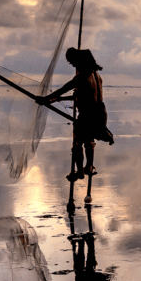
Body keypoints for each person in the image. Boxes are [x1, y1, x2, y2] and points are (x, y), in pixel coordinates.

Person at [42, 47, 114, 182]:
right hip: (99, 114)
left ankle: (80, 171)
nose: (73, 65)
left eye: (74, 62)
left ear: (81, 61)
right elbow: (86, 95)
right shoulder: (97, 76)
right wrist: (57, 99)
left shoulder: (82, 77)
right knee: (89, 141)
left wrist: (45, 99)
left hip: (87, 115)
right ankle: (89, 166)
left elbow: (64, 89)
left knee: (77, 143)